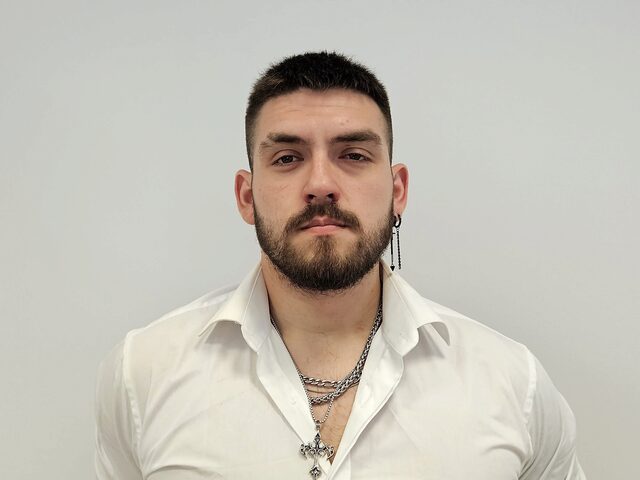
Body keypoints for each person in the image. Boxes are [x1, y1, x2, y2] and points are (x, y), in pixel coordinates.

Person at [95, 51, 585, 480]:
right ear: (247, 196)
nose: (321, 185)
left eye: (353, 154)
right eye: (287, 158)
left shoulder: (512, 383)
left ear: (397, 190)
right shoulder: (143, 374)